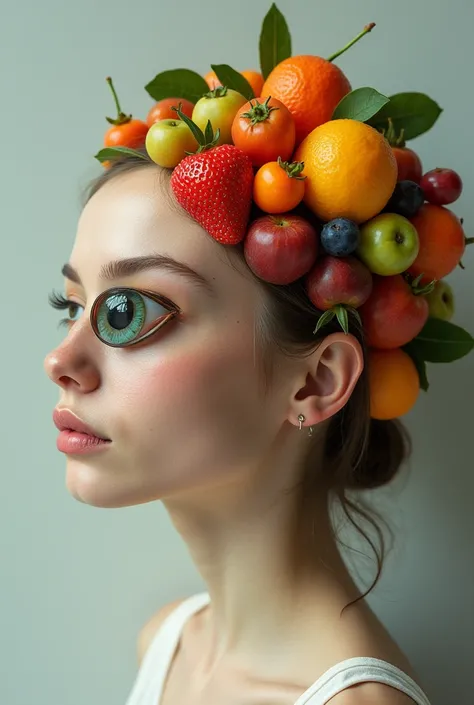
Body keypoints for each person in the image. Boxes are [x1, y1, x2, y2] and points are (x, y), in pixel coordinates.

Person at [44, 151, 433, 705]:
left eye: (125, 312)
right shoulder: (166, 643)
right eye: (73, 306)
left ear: (316, 381)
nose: (59, 359)